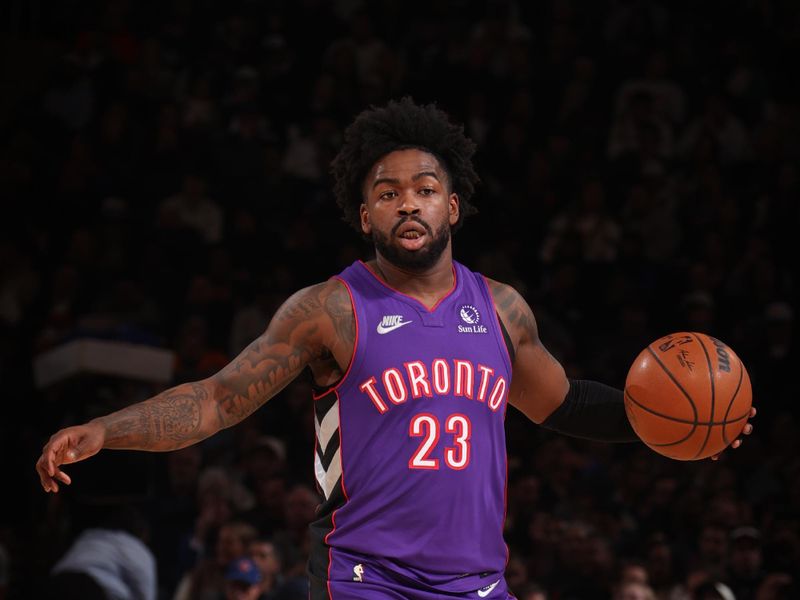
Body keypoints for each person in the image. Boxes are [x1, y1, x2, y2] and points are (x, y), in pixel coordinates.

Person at [36, 97, 756, 600]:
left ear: (453, 205)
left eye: (424, 188)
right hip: (362, 578)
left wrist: (684, 426)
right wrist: (108, 429)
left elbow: (564, 404)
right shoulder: (327, 310)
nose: (407, 201)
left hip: (475, 582)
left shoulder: (502, 309)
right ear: (363, 214)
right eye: (387, 192)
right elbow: (219, 399)